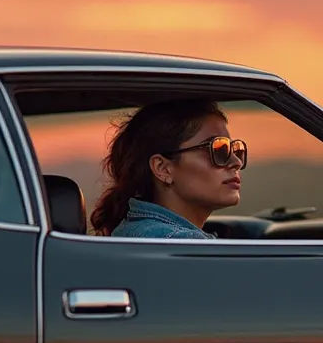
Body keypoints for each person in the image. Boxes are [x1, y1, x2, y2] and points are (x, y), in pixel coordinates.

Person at [89, 98, 247, 239]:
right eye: (218, 150)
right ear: (163, 168)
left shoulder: (134, 230)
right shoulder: (183, 242)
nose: (236, 162)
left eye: (235, 149)